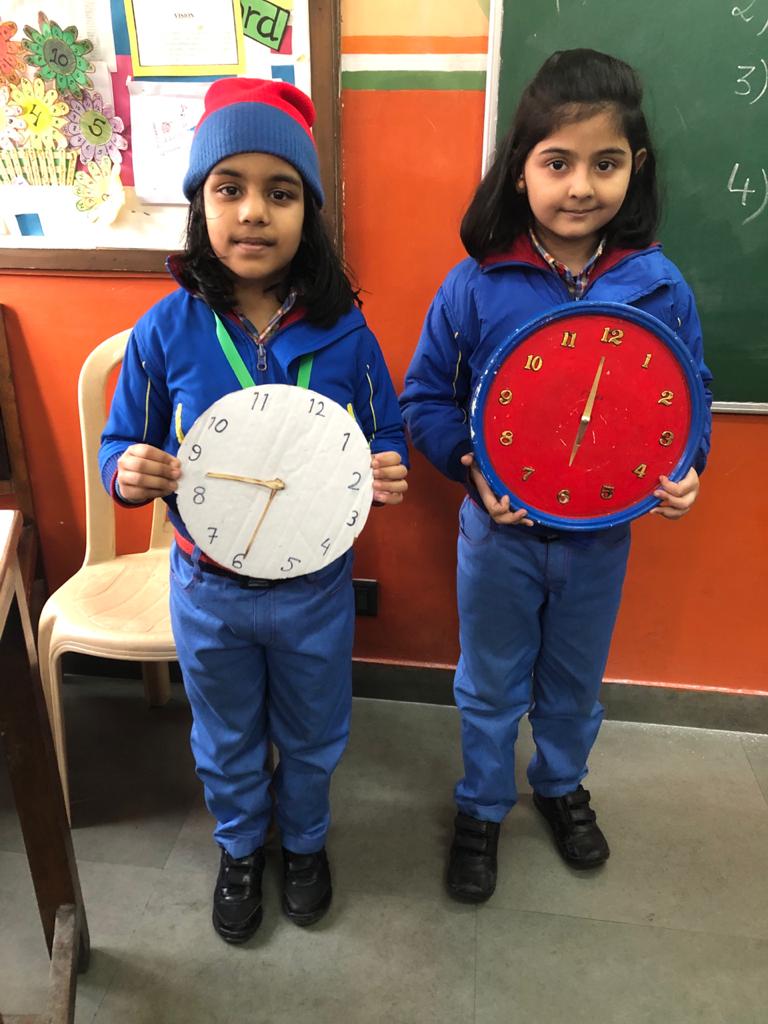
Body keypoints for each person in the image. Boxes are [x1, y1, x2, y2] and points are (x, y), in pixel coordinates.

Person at [99, 78, 408, 942]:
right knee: (227, 730)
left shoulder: (346, 330)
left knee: (314, 727)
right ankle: (241, 846)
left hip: (315, 587)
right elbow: (119, 441)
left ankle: (304, 842)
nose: (253, 212)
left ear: (309, 210)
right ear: (199, 205)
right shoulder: (168, 329)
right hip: (209, 587)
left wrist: (390, 464)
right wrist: (129, 467)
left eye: (281, 192)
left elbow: (388, 429)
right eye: (228, 187)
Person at [399, 49, 712, 902]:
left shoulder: (659, 285)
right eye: (558, 163)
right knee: (491, 681)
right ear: (521, 168)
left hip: (600, 540)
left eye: (605, 164)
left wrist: (685, 465)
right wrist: (467, 466)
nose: (581, 186)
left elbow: (689, 395)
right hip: (498, 535)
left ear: (633, 170)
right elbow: (424, 395)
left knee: (573, 684)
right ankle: (481, 805)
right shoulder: (476, 285)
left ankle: (562, 784)